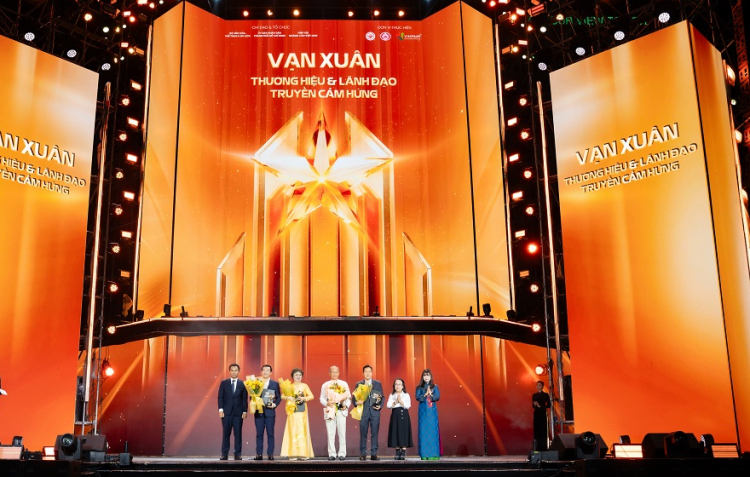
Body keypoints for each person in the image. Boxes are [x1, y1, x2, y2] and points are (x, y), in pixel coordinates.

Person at [280, 368, 315, 460]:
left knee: (302, 430)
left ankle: (303, 453)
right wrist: (288, 397)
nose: (298, 377)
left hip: (302, 411)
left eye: (300, 375)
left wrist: (304, 398)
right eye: (296, 375)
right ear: (292, 376)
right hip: (292, 410)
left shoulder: (304, 385)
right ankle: (293, 453)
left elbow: (311, 396)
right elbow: (282, 396)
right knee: (292, 430)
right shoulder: (289, 386)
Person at [319, 365, 351, 461]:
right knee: (331, 433)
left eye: (336, 372)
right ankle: (332, 453)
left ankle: (342, 453)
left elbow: (348, 397)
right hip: (330, 410)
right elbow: (321, 398)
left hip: (341, 410)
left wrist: (346, 405)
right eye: (332, 372)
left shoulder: (343, 384)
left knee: (342, 433)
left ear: (339, 373)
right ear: (329, 373)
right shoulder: (325, 385)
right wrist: (327, 403)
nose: (334, 374)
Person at [217, 363, 248, 460]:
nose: (234, 372)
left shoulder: (243, 384)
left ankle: (237, 454)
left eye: (236, 370)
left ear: (239, 372)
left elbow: (244, 399)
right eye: (232, 370)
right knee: (226, 434)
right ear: (229, 371)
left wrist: (244, 411)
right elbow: (220, 397)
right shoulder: (224, 383)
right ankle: (224, 454)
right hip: (226, 413)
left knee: (238, 434)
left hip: (238, 413)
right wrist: (220, 409)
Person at [353, 364, 384, 460]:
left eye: (369, 371)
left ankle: (374, 454)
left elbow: (382, 397)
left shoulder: (377, 384)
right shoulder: (359, 384)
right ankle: (363, 454)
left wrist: (380, 406)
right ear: (363, 373)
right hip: (363, 412)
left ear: (372, 373)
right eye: (366, 371)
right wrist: (356, 403)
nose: (367, 373)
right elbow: (354, 398)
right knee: (363, 433)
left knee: (374, 433)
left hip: (375, 412)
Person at [254, 364, 281, 460]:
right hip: (259, 412)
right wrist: (255, 402)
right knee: (259, 434)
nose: (265, 372)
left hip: (270, 412)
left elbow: (278, 397)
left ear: (271, 372)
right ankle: (259, 454)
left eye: (267, 370)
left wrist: (275, 404)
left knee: (270, 434)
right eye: (263, 370)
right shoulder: (256, 383)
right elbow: (252, 396)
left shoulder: (275, 384)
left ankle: (270, 454)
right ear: (261, 372)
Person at [415, 368, 440, 460]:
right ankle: (424, 454)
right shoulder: (419, 387)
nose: (426, 377)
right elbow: (417, 397)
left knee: (433, 431)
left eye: (428, 375)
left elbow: (437, 397)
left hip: (432, 412)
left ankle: (433, 454)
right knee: (423, 431)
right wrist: (425, 394)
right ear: (422, 377)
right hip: (423, 411)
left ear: (430, 376)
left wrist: (431, 395)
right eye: (424, 375)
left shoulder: (435, 386)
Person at [386, 377, 413, 460]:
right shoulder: (392, 395)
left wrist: (401, 401)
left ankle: (403, 452)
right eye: (396, 384)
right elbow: (388, 405)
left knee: (404, 432)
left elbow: (408, 405)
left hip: (404, 414)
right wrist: (395, 402)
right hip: (395, 414)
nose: (397, 386)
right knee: (395, 432)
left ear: (402, 386)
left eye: (399, 384)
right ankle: (397, 452)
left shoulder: (406, 395)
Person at [532, 380, 551, 451]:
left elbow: (549, 405)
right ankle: (537, 447)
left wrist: (540, 406)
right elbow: (533, 406)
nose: (538, 386)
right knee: (537, 429)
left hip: (542, 412)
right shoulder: (534, 395)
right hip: (536, 413)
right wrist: (535, 405)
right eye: (537, 385)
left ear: (542, 386)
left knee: (543, 429)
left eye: (539, 385)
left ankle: (544, 447)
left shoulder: (545, 395)